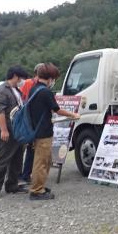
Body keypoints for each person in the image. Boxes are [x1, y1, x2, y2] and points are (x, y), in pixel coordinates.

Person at [27, 63, 81, 200]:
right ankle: (36, 191)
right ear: (50, 78)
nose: (53, 81)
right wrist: (72, 115)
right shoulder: (45, 91)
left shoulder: (34, 89)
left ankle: (40, 187)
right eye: (54, 78)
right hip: (43, 132)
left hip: (37, 130)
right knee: (41, 162)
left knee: (42, 160)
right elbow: (57, 109)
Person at [0, 66, 30, 199]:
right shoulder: (1, 91)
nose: (23, 81)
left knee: (16, 160)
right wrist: (4, 130)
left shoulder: (15, 90)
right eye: (22, 78)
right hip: (4, 132)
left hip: (16, 132)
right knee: (1, 160)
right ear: (16, 76)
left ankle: (12, 184)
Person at [19, 63, 42, 183]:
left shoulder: (41, 84)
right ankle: (23, 174)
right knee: (28, 147)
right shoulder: (28, 83)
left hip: (34, 119)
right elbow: (21, 99)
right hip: (28, 119)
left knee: (30, 148)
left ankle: (26, 173)